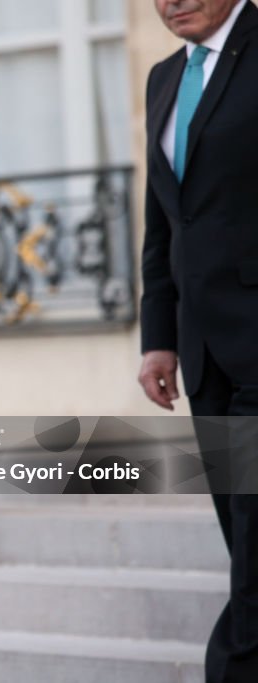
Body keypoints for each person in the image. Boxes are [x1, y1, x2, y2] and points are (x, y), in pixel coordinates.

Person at [138, 1, 258, 680]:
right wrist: (159, 337)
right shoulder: (162, 78)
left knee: (254, 539)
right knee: (240, 532)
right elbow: (163, 220)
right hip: (206, 351)